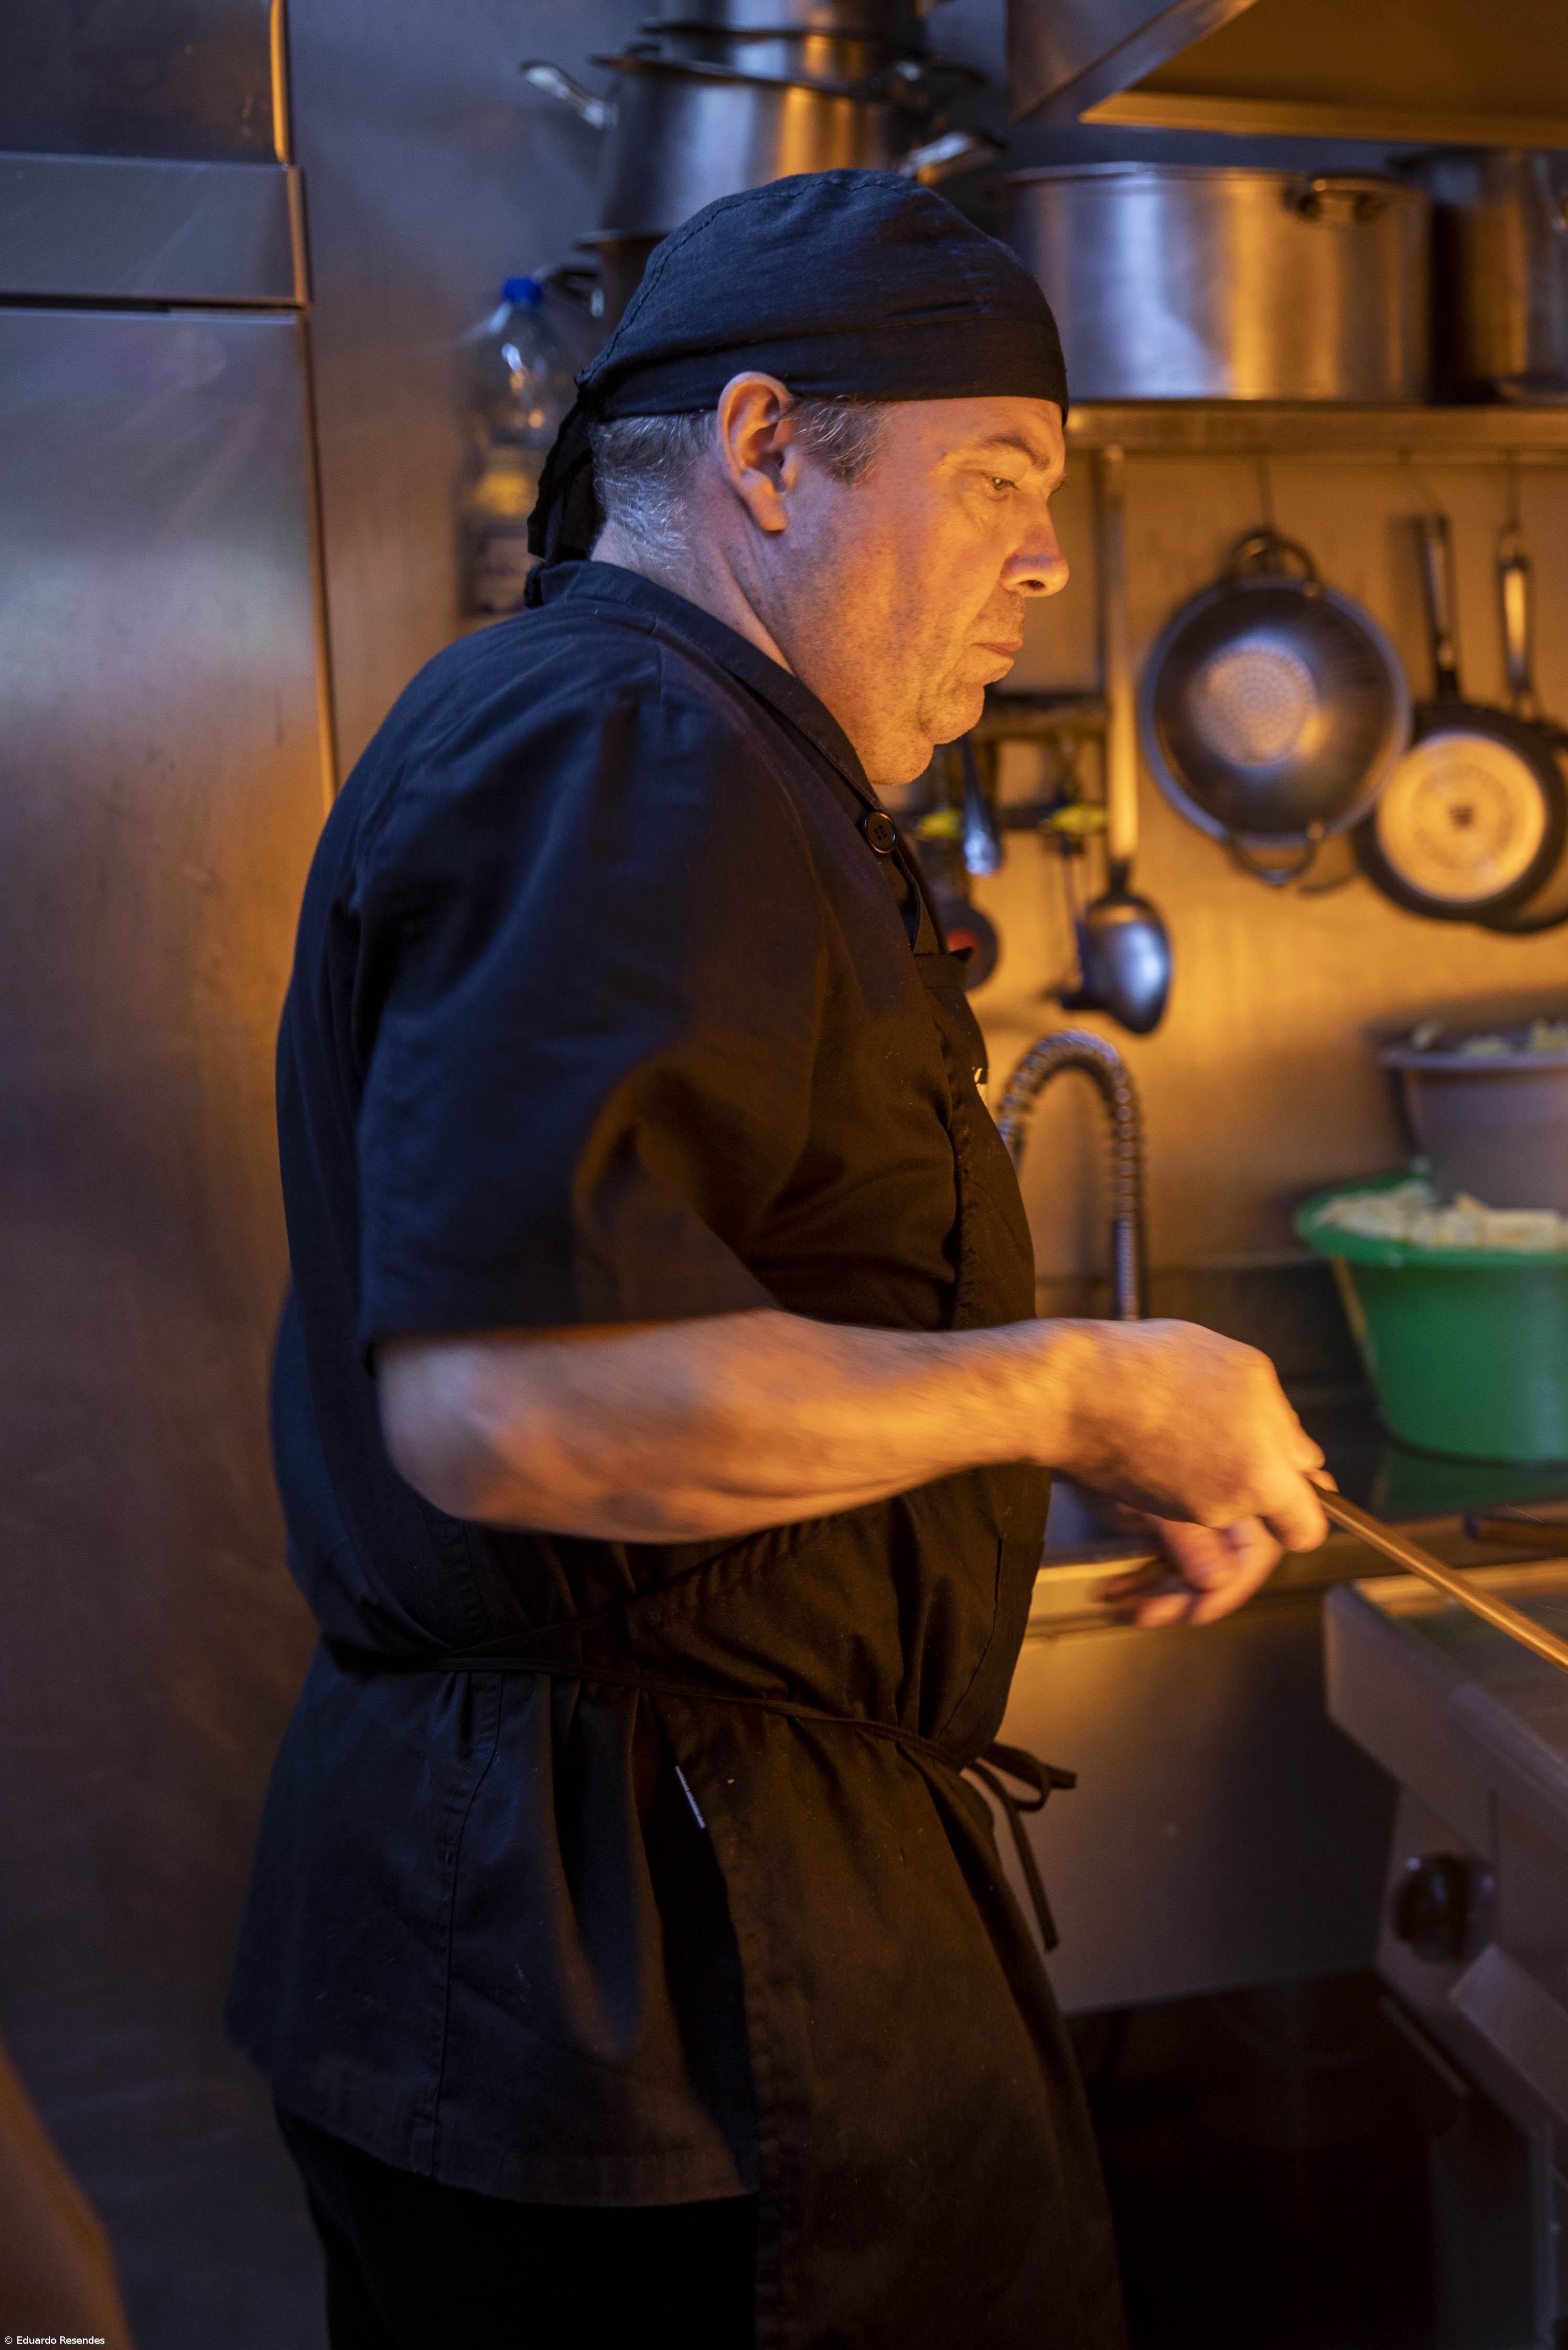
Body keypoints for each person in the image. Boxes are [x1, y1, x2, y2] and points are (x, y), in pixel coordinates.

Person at [229, 173, 1325, 2348]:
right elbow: (512, 1401)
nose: (1043, 555)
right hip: (645, 1987)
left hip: (627, 1957)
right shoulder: (636, 740)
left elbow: (689, 1316)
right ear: (759, 452)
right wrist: (1086, 1389)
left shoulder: (671, 754)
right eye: (1000, 480)